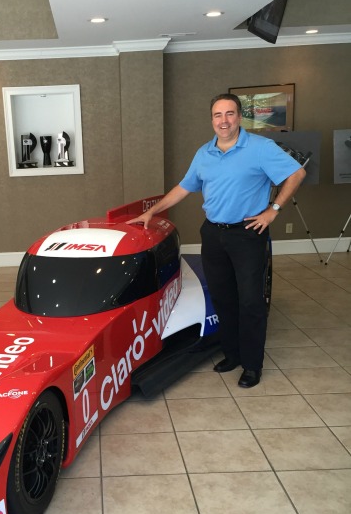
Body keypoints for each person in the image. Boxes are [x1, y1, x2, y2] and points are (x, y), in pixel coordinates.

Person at [128, 94, 306, 388]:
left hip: (248, 233)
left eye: (229, 113)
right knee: (223, 297)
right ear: (212, 119)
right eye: (217, 115)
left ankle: (252, 365)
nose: (224, 121)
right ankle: (232, 354)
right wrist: (152, 211)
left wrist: (273, 210)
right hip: (213, 233)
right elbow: (184, 188)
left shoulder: (260, 148)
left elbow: (297, 173)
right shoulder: (204, 153)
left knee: (250, 301)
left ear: (239, 117)